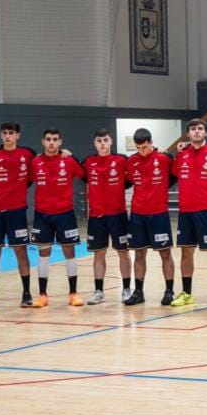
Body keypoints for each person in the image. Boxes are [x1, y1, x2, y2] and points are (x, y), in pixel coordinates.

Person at [170, 119, 207, 307]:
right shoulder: (181, 155)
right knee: (186, 253)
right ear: (188, 134)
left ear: (206, 133)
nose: (197, 132)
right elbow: (173, 174)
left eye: (200, 129)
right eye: (193, 129)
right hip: (186, 212)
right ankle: (187, 293)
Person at [0, 122, 36, 311]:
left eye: (11, 133)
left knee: (21, 252)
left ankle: (26, 294)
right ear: (1, 135)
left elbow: (43, 164)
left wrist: (65, 153)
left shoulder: (28, 154)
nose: (8, 136)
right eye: (5, 133)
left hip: (17, 211)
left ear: (18, 135)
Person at [28, 129, 86, 308]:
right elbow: (25, 180)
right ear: (43, 141)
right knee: (43, 253)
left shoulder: (68, 160)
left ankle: (73, 293)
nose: (51, 142)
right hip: (42, 215)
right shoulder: (35, 162)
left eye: (55, 139)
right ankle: (43, 295)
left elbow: (85, 174)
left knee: (69, 252)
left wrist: (73, 156)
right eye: (48, 139)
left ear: (60, 142)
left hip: (65, 214)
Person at [125, 128, 177, 305]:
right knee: (139, 254)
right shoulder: (131, 162)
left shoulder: (164, 158)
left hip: (159, 214)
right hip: (138, 214)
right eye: (138, 148)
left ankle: (169, 291)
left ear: (151, 142)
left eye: (145, 147)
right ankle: (138, 292)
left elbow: (175, 175)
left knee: (165, 253)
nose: (142, 151)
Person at [82, 128, 132, 306]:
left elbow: (131, 178)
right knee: (99, 253)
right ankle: (99, 291)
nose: (102, 143)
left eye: (105, 140)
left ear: (111, 142)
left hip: (118, 215)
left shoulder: (121, 160)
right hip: (96, 217)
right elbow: (82, 177)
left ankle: (126, 289)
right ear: (94, 144)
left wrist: (118, 187)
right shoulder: (88, 162)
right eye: (99, 141)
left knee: (123, 252)